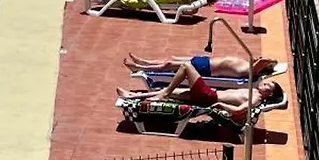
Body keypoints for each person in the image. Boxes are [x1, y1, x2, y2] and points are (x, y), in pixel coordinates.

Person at [118, 62, 283, 119]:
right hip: (207, 95)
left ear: (269, 94)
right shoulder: (254, 91)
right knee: (169, 90)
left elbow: (239, 110)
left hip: (209, 96)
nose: (265, 84)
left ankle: (164, 93)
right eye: (268, 83)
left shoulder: (256, 99)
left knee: (186, 66)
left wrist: (220, 105)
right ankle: (132, 96)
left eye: (269, 86)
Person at [123, 53, 279, 79]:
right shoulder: (247, 64)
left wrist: (272, 61)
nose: (258, 58)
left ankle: (140, 68)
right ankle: (144, 62)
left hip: (206, 68)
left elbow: (264, 61)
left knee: (169, 64)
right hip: (205, 61)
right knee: (170, 60)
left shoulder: (249, 70)